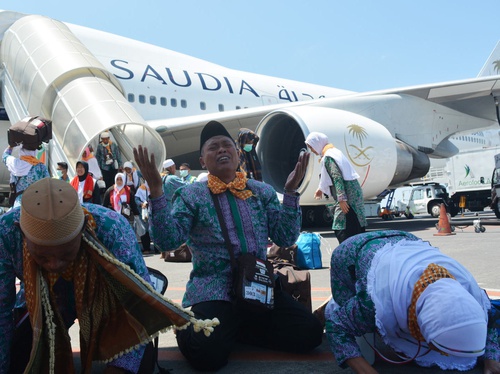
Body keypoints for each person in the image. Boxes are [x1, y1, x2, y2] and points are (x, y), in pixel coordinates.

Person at [134, 120, 323, 371]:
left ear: (237, 154)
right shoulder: (191, 195)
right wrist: (157, 191)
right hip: (214, 289)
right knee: (207, 355)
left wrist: (290, 193)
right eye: (213, 147)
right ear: (202, 161)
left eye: (227, 146)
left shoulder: (262, 192)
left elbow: (286, 237)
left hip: (259, 288)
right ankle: (189, 326)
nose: (222, 150)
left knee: (310, 334)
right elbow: (168, 241)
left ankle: (237, 329)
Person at [0, 178, 200, 373]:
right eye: (42, 257)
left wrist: (121, 368)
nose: (54, 265)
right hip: (45, 302)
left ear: (84, 228)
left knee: (139, 364)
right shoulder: (6, 233)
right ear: (22, 234)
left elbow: (136, 306)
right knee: (20, 361)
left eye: (67, 254)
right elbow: (2, 311)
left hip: (108, 301)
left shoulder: (112, 229)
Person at [324, 230, 500, 374]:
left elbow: (493, 315)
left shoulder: (470, 290)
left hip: (406, 240)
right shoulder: (375, 303)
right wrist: (366, 370)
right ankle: (332, 306)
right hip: (352, 252)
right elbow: (336, 326)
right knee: (352, 316)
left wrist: (492, 357)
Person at [305, 132, 367, 243]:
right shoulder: (334, 153)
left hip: (348, 199)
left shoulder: (329, 157)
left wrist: (342, 199)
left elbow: (337, 177)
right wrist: (320, 189)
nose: (312, 151)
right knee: (354, 227)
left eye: (312, 147)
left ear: (318, 144)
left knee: (342, 228)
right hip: (353, 196)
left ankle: (347, 256)